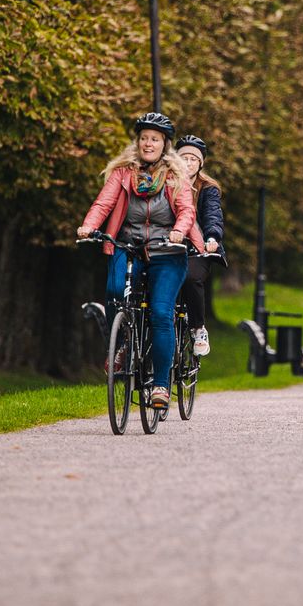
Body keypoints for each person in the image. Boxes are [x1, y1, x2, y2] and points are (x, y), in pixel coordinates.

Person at [77, 112, 201, 410]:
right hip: (128, 246)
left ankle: (160, 385)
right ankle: (120, 346)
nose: (148, 143)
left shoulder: (175, 176)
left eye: (154, 139)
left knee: (160, 313)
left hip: (167, 252)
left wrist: (177, 232)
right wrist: (88, 225)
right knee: (115, 291)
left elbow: (186, 211)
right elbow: (103, 203)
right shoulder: (123, 172)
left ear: (164, 144)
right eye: (144, 138)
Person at [176, 135, 224, 357]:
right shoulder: (167, 183)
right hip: (169, 247)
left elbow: (213, 215)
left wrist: (212, 238)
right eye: (183, 158)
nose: (188, 163)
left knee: (191, 277)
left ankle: (198, 328)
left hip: (199, 249)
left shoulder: (208, 188)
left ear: (200, 163)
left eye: (193, 159)